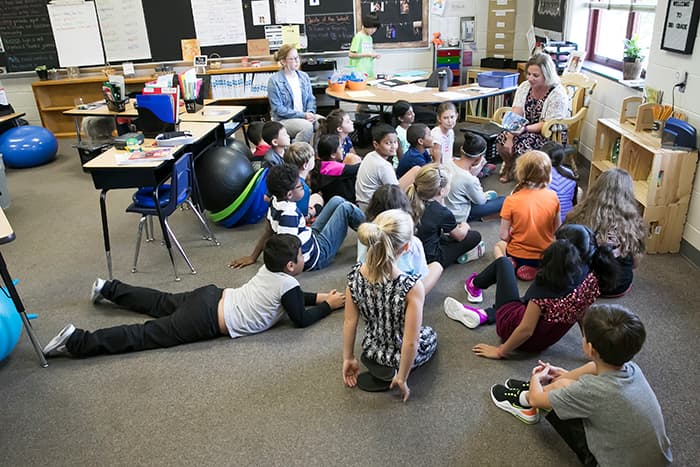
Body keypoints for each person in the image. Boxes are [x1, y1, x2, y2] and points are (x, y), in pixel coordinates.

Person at [42, 234, 345, 358]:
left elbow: (295, 297)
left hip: (211, 296)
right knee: (147, 335)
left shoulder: (272, 272)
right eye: (303, 256)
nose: (306, 258)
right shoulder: (287, 285)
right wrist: (328, 307)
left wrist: (320, 296)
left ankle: (109, 288)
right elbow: (300, 319)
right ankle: (76, 340)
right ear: (291, 266)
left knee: (160, 301)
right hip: (207, 318)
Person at [490, 304, 672, 466]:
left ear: (590, 348)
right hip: (658, 460)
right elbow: (594, 367)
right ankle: (538, 390)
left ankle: (524, 401)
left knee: (561, 388)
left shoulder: (591, 390)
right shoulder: (632, 367)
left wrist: (536, 379)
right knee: (568, 380)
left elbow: (539, 399)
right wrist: (562, 373)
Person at [444, 224, 617, 360]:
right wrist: (588, 340)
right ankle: (486, 314)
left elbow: (526, 329)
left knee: (503, 264)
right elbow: (582, 312)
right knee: (526, 302)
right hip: (546, 339)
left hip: (514, 332)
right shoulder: (593, 277)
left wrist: (500, 352)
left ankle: (474, 285)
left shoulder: (545, 285)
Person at [342, 209, 437, 400]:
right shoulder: (411, 287)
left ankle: (378, 363)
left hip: (372, 345)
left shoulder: (354, 277)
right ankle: (394, 371)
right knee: (430, 335)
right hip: (399, 351)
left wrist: (348, 358)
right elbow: (411, 341)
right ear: (406, 247)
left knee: (381, 336)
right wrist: (402, 378)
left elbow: (349, 323)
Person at [229, 163, 365, 271]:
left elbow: (268, 231)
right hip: (318, 256)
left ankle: (371, 232)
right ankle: (377, 236)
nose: (305, 188)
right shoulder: (289, 215)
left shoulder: (274, 201)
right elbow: (288, 250)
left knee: (337, 200)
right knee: (346, 209)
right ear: (289, 194)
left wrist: (253, 257)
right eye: (300, 186)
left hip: (310, 237)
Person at [566, 168, 645, 297]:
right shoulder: (634, 221)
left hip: (582, 284)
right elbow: (635, 264)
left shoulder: (578, 215)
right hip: (620, 286)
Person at [496, 53, 569, 183]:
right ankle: (510, 165)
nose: (530, 78)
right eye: (528, 74)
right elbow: (516, 112)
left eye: (536, 75)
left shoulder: (557, 93)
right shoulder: (525, 86)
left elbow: (548, 123)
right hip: (524, 126)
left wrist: (523, 130)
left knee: (523, 143)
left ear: (547, 75)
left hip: (548, 132)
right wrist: (510, 135)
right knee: (501, 138)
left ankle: (526, 177)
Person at [357, 184, 443, 294]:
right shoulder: (413, 242)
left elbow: (360, 265)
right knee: (437, 266)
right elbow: (419, 275)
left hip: (370, 293)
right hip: (403, 296)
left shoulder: (368, 233)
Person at [407, 163, 484, 269]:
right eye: (449, 184)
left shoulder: (408, 198)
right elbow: (459, 236)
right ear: (442, 191)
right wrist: (465, 226)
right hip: (431, 258)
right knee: (475, 236)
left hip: (410, 252)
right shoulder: (441, 212)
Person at [499, 150, 561, 281]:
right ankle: (540, 268)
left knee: (498, 246)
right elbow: (557, 229)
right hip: (545, 255)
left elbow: (503, 235)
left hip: (518, 254)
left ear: (521, 173)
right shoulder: (553, 197)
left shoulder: (511, 200)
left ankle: (509, 265)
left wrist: (512, 232)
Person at [355, 123, 419, 211]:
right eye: (388, 143)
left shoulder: (370, 155)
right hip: (372, 208)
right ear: (376, 144)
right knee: (416, 170)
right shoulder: (383, 165)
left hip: (362, 204)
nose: (393, 147)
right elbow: (395, 194)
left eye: (395, 142)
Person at [444, 131, 505, 222]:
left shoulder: (448, 162)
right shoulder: (470, 179)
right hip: (459, 214)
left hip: (445, 207)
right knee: (504, 200)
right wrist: (487, 196)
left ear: (461, 149)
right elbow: (480, 201)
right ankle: (480, 217)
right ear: (479, 157)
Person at [267, 44, 320, 143]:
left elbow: (310, 99)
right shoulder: (274, 81)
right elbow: (278, 109)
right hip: (284, 120)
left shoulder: (304, 77)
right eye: (293, 58)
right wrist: (303, 115)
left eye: (297, 57)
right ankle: (294, 155)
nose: (297, 61)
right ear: (283, 62)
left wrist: (311, 113)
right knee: (307, 127)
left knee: (325, 123)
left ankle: (317, 154)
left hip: (305, 115)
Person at [309, 133, 359, 203]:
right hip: (343, 202)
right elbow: (357, 168)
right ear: (333, 155)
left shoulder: (321, 164)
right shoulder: (334, 168)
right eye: (340, 147)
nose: (342, 150)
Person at [283, 142, 324, 221]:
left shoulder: (284, 177)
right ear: (305, 165)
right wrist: (311, 212)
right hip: (295, 221)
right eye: (313, 157)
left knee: (316, 196)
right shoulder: (302, 188)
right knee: (318, 199)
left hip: (283, 212)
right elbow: (302, 218)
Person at [541, 141, 578, 223]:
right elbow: (573, 197)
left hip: (547, 220)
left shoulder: (541, 175)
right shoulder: (569, 172)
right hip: (567, 216)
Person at [349, 13, 381, 79]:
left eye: (375, 28)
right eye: (371, 28)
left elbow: (368, 55)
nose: (373, 30)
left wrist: (374, 56)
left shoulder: (369, 38)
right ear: (365, 25)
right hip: (359, 74)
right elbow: (351, 55)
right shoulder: (358, 37)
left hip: (369, 72)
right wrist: (367, 54)